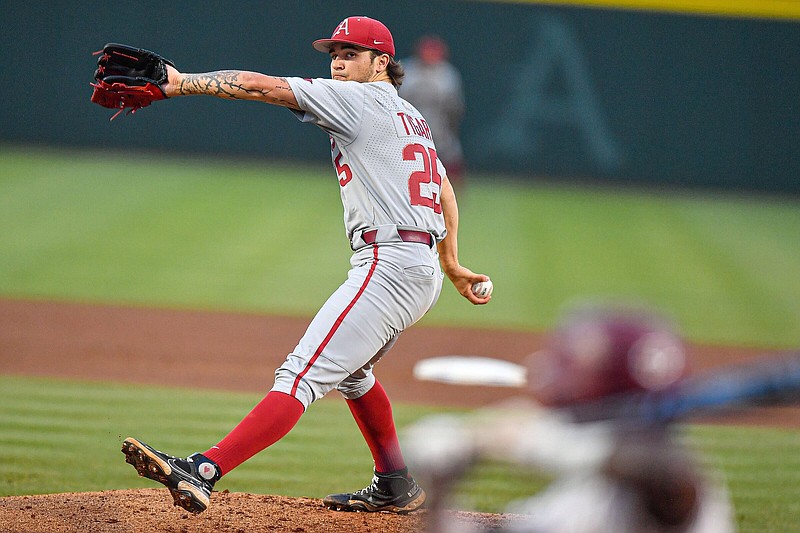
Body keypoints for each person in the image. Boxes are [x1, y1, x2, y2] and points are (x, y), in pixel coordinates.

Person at [120, 15, 492, 516]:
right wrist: (449, 262)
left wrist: (179, 84)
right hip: (415, 264)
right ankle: (395, 483)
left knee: (299, 376)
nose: (338, 62)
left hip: (390, 265)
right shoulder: (411, 116)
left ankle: (203, 469)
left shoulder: (356, 98)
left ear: (382, 62)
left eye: (351, 53)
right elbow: (443, 186)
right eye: (333, 53)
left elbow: (261, 87)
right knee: (353, 376)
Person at [404, 304, 737, 533]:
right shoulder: (577, 500)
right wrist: (444, 486)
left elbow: (664, 475)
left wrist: (540, 443)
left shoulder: (673, 487)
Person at [400, 35, 466, 190]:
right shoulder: (407, 70)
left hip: (439, 128)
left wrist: (450, 129)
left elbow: (455, 108)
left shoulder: (448, 74)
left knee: (452, 160)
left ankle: (452, 201)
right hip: (410, 127)